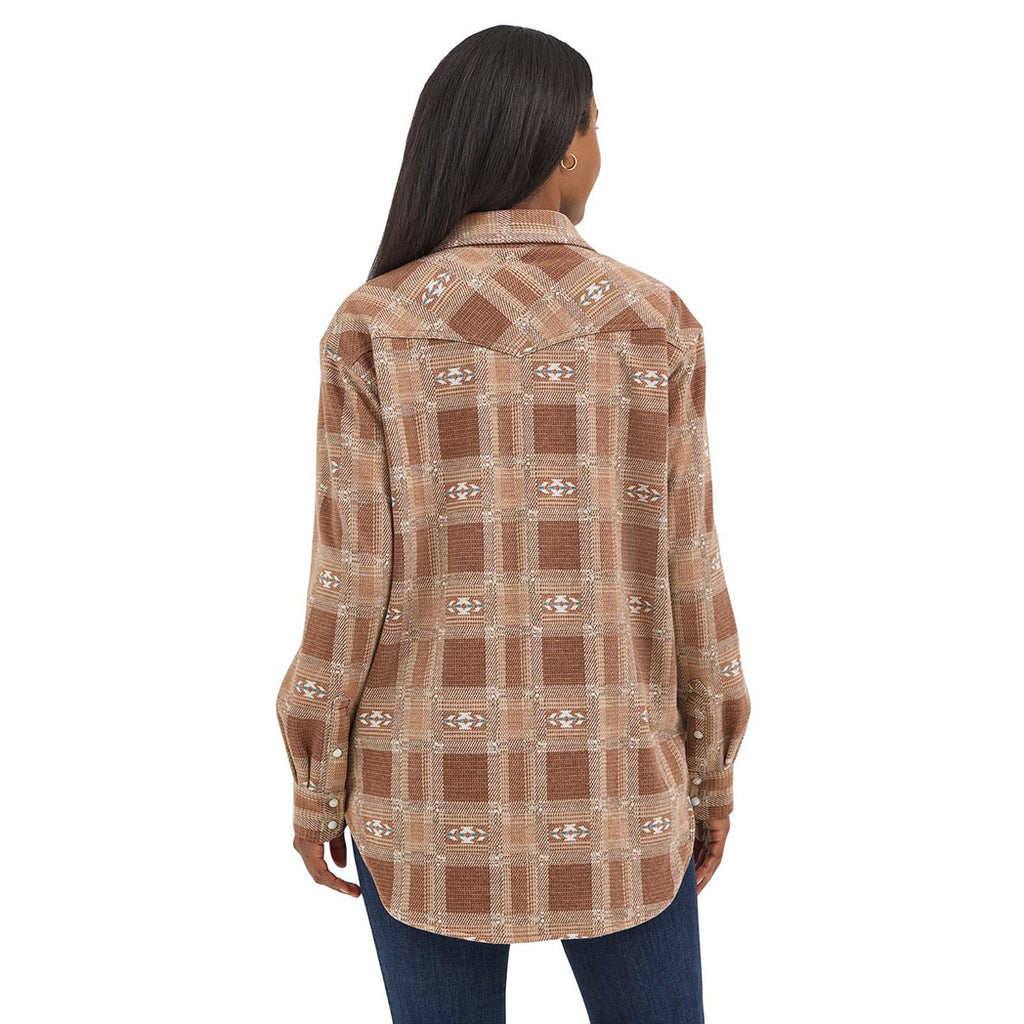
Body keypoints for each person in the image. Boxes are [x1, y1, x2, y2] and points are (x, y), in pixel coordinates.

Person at [275, 23, 751, 1024]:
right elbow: (690, 568)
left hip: (423, 793)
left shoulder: (374, 324)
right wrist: (711, 768)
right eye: (597, 125)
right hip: (622, 784)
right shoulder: (654, 319)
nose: (600, 150)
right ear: (565, 141)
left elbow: (348, 583)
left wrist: (318, 778)